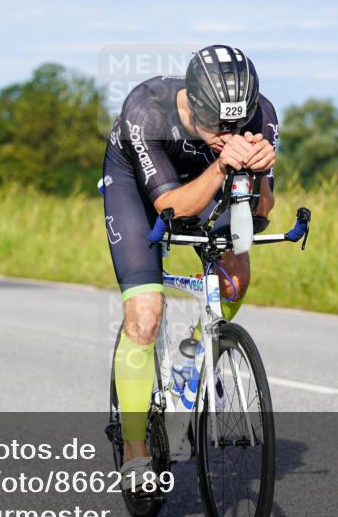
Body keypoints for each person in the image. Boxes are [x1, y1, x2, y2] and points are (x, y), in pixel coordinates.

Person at [102, 45, 278, 485]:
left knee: (235, 277)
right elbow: (172, 209)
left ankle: (191, 359)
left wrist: (258, 173)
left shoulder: (260, 115)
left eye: (235, 125)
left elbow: (261, 212)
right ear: (193, 106)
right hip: (138, 186)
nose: (228, 134)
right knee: (145, 315)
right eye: (216, 126)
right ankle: (135, 451)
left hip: (209, 181)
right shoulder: (147, 111)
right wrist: (221, 164)